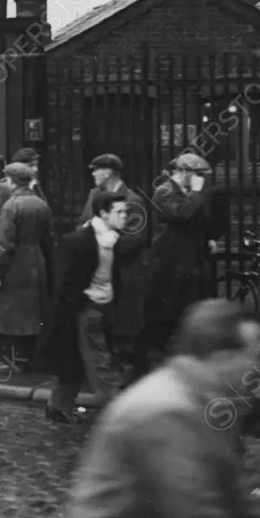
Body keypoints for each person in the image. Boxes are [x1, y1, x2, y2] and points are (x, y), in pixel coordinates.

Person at [53, 299, 260, 518]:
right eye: (252, 356)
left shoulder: (207, 401)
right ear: (221, 357)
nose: (256, 367)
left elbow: (234, 495)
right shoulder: (167, 409)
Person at [37, 190, 126, 425]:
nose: (125, 216)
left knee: (75, 360)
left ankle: (57, 406)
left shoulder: (114, 240)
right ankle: (125, 414)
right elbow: (66, 281)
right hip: (86, 310)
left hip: (103, 306)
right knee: (101, 363)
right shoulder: (79, 241)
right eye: (120, 212)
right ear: (104, 213)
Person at [140, 153, 211, 372]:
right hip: (169, 263)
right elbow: (182, 215)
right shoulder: (164, 192)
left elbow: (198, 221)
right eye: (197, 174)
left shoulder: (189, 193)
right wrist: (197, 193)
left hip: (188, 261)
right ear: (183, 171)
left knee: (185, 310)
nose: (201, 179)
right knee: (165, 313)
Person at [78, 154, 148, 373]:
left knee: (122, 330)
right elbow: (83, 224)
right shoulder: (94, 196)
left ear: (108, 173)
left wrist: (104, 243)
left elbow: (135, 240)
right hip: (99, 273)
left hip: (122, 273)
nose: (92, 174)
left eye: (96, 170)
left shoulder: (132, 201)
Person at [0, 162, 54, 373]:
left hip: (14, 264)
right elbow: (50, 237)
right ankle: (26, 359)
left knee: (9, 314)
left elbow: (4, 244)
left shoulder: (11, 206)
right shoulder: (40, 203)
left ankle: (12, 362)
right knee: (30, 312)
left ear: (11, 181)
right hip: (35, 259)